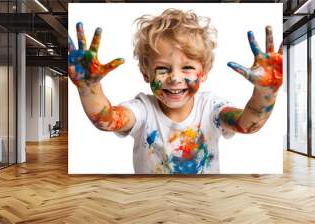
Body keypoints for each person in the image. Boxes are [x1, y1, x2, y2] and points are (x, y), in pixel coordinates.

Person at [68, 9, 282, 174]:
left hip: (204, 206)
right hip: (151, 207)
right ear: (146, 74)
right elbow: (107, 119)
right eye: (162, 69)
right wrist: (90, 88)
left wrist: (266, 92)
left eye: (187, 67)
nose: (175, 78)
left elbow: (247, 124)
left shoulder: (211, 109)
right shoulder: (142, 109)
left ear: (204, 72)